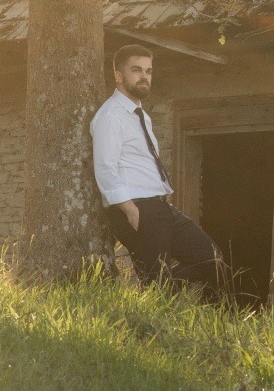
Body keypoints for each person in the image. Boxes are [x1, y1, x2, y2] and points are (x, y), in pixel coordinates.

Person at [91, 44, 222, 300]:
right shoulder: (111, 116)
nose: (144, 76)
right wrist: (131, 211)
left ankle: (162, 287)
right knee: (157, 288)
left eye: (148, 71)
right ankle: (157, 295)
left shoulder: (141, 116)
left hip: (161, 207)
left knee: (213, 260)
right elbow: (105, 168)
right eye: (136, 70)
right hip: (137, 208)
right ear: (118, 76)